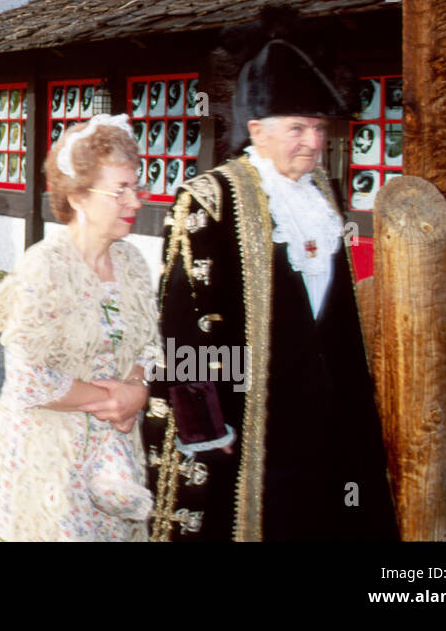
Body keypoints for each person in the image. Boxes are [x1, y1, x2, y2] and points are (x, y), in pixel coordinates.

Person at [145, 32, 398, 541]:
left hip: (324, 412)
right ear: (257, 130)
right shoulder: (208, 198)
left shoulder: (323, 192)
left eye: (319, 127)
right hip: (251, 414)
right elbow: (181, 322)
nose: (312, 140)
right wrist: (205, 425)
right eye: (297, 127)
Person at [0, 116, 160, 541]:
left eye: (135, 187)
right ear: (79, 196)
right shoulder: (44, 265)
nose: (135, 202)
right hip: (47, 461)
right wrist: (116, 401)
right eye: (120, 190)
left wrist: (139, 388)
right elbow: (28, 379)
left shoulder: (134, 264)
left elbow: (150, 346)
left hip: (114, 459)